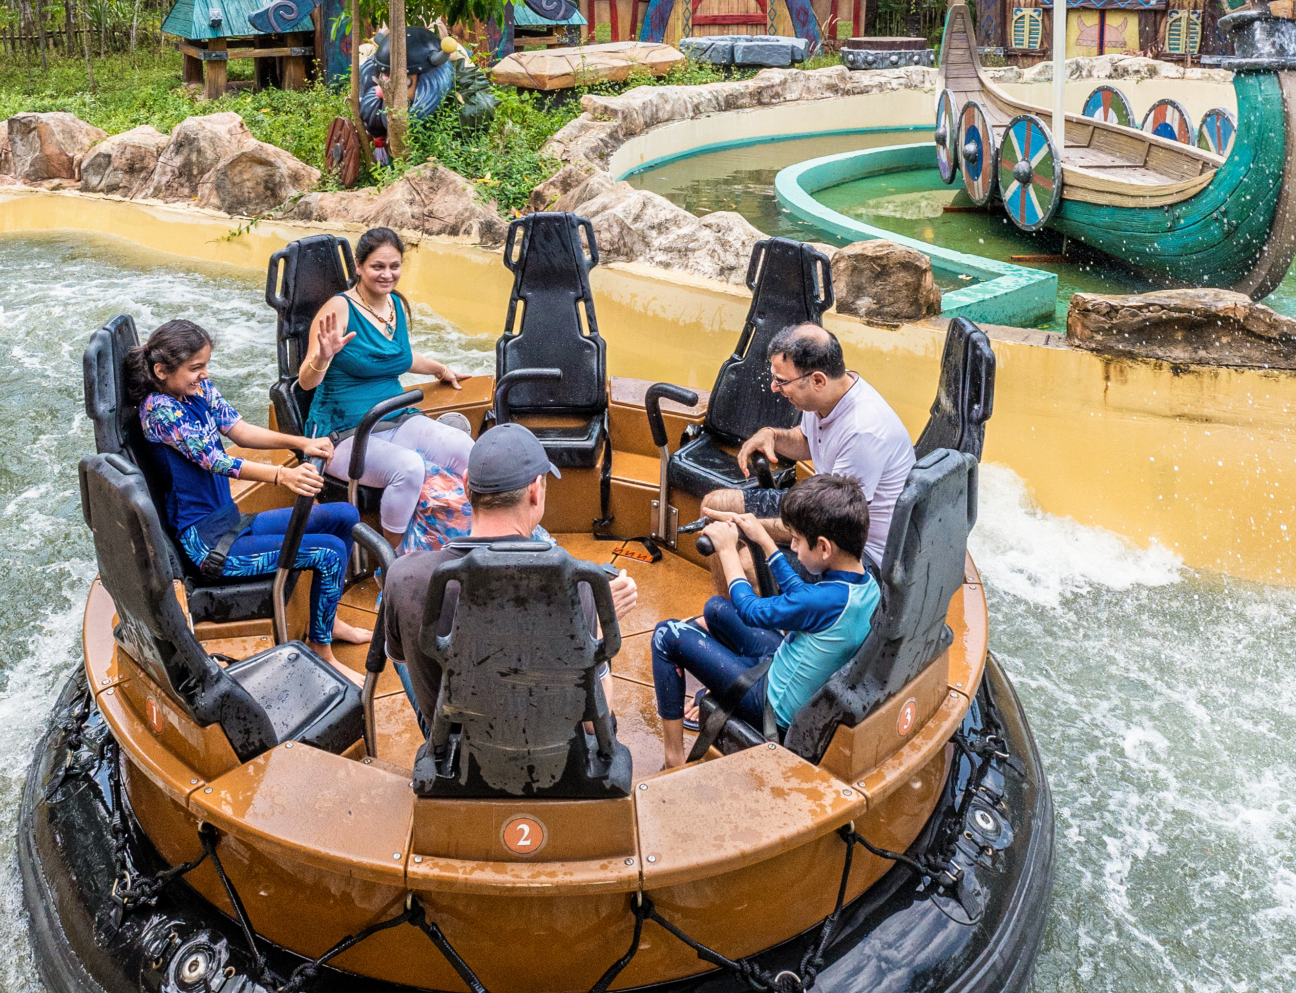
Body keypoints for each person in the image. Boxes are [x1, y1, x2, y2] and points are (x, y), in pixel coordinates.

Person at [379, 424, 639, 733]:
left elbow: (414, 662)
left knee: (401, 648)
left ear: (466, 485)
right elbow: (596, 726)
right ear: (534, 490)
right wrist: (593, 629)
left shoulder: (404, 576)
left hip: (450, 761)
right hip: (554, 763)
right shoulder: (578, 585)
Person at [129, 318, 368, 651]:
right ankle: (321, 648)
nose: (205, 374)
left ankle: (327, 621)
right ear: (161, 371)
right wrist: (282, 475)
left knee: (343, 515)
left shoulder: (197, 391)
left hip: (231, 522)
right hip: (207, 546)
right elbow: (215, 460)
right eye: (196, 367)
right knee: (329, 552)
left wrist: (300, 442)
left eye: (206, 365)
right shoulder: (160, 412)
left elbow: (238, 430)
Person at [651, 473, 879, 771]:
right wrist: (762, 539)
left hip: (771, 704)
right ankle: (719, 681)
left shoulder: (823, 601)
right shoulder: (864, 583)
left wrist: (728, 550)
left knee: (666, 634)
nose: (793, 547)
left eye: (797, 540)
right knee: (716, 608)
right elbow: (802, 595)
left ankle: (674, 759)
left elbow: (750, 610)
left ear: (824, 548)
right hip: (786, 666)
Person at [298, 226, 474, 537]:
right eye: (377, 266)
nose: (387, 274)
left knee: (464, 448)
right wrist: (323, 357)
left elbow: (400, 357)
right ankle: (392, 556)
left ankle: (480, 536)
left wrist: (439, 369)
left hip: (395, 418)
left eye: (394, 266)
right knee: (408, 468)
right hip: (342, 435)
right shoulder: (339, 309)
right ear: (359, 267)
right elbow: (306, 382)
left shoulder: (395, 305)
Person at [698, 321, 914, 569]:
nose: (774, 388)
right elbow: (811, 442)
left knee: (745, 564)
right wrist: (773, 436)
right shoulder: (824, 397)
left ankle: (743, 604)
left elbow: (832, 525)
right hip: (821, 508)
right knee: (713, 506)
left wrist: (746, 527)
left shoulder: (863, 432)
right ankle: (739, 605)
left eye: (781, 381)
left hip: (856, 551)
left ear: (818, 380)